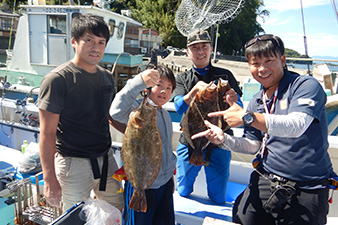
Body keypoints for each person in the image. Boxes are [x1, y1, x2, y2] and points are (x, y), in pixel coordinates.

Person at [191, 34, 337, 225]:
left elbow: (297, 125)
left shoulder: (304, 85)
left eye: (269, 61)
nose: (262, 69)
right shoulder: (256, 100)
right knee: (242, 217)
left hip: (307, 188)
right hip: (266, 178)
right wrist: (223, 140)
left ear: (282, 60)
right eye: (255, 63)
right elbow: (252, 146)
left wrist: (246, 117)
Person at [38, 14, 124, 212]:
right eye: (89, 40)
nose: (96, 48)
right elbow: (47, 133)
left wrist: (136, 130)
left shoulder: (107, 78)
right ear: (74, 42)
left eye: (101, 42)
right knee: (73, 217)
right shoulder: (57, 80)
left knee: (117, 212)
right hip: (72, 164)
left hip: (106, 160)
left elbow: (110, 117)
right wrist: (49, 177)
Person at [171, 29, 243, 204]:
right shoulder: (182, 78)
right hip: (190, 140)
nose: (200, 51)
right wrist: (193, 93)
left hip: (220, 141)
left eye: (204, 47)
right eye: (195, 48)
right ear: (188, 52)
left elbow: (239, 108)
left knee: (218, 197)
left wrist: (235, 101)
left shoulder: (226, 75)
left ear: (211, 49)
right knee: (183, 190)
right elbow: (179, 107)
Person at [110, 65, 177, 225]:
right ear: (147, 88)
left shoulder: (166, 114)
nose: (164, 91)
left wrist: (171, 176)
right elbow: (116, 111)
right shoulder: (136, 111)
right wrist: (138, 83)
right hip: (141, 185)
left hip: (164, 183)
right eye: (159, 85)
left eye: (169, 88)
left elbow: (166, 149)